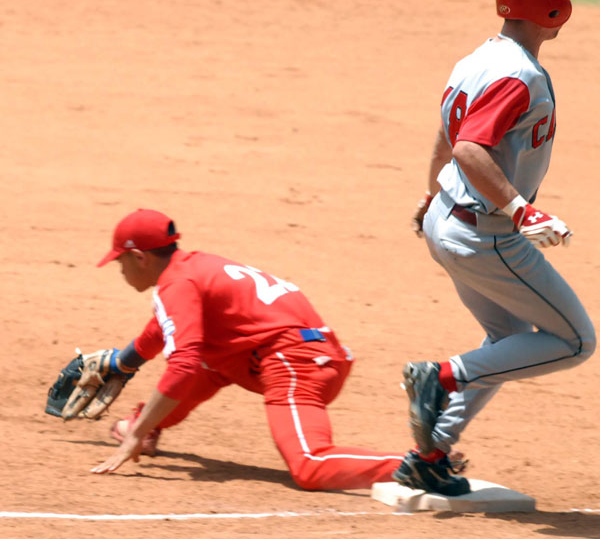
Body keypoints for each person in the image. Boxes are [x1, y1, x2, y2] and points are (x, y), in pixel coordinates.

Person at [394, 0, 596, 496]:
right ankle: (439, 376)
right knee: (574, 341)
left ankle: (430, 454)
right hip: (487, 236)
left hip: (448, 219)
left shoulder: (478, 57)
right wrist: (521, 209)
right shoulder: (519, 74)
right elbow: (469, 146)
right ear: (555, 12)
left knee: (509, 342)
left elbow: (450, 134)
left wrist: (429, 191)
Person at [89, 208, 406, 490]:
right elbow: (164, 327)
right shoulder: (196, 267)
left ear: (140, 257)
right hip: (309, 354)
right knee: (210, 357)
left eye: (121, 261)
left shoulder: (177, 283)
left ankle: (418, 465)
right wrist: (122, 364)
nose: (121, 270)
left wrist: (135, 433)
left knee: (310, 465)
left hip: (294, 363)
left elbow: (182, 365)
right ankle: (148, 424)